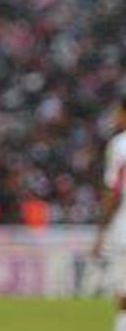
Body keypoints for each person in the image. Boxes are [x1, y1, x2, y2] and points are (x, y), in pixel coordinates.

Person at [92, 99, 126, 331]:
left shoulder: (120, 144)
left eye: (118, 113)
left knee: (124, 294)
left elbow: (114, 191)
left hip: (124, 228)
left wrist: (102, 231)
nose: (116, 118)